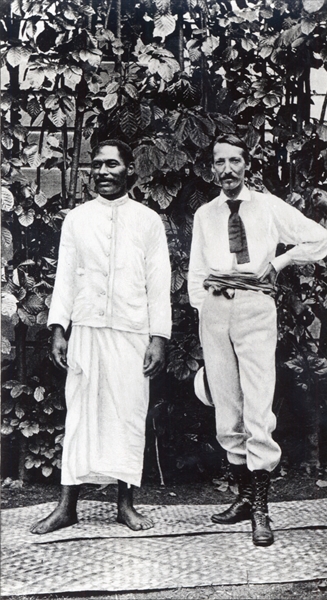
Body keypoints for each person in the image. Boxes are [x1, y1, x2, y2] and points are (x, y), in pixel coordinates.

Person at [188, 134, 327, 546]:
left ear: (246, 165)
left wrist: (281, 261)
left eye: (235, 161)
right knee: (225, 406)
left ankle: (262, 510)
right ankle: (243, 499)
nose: (228, 169)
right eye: (220, 162)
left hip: (255, 306)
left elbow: (320, 239)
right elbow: (197, 272)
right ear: (211, 167)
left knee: (257, 403)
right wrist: (207, 310)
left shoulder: (267, 206)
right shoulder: (205, 214)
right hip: (216, 309)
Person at [31, 139, 171, 534]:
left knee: (128, 413)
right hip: (87, 329)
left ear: (130, 170)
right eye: (97, 165)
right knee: (80, 415)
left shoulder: (147, 220)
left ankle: (125, 505)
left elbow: (159, 284)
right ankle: (66, 505)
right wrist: (59, 329)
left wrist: (158, 337)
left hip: (132, 331)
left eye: (112, 165)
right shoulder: (77, 218)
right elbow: (64, 277)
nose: (103, 172)